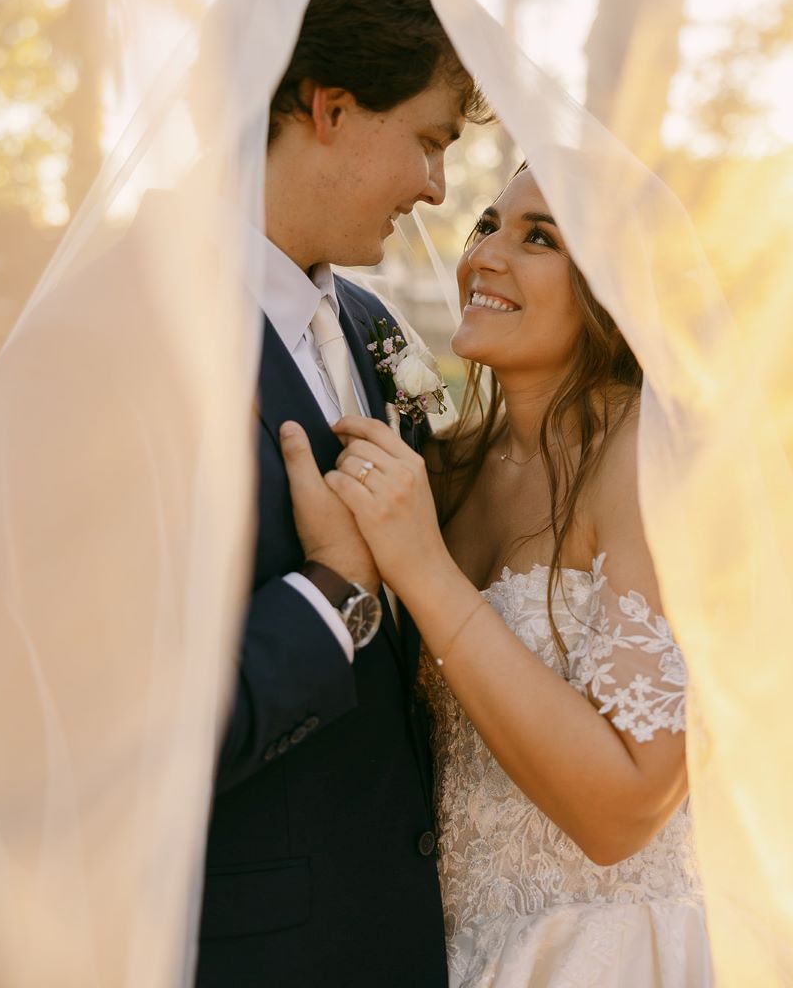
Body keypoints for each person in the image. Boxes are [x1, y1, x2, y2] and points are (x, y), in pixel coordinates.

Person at [282, 163, 713, 986]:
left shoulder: (649, 460)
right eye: (487, 224)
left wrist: (423, 570)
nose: (485, 254)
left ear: (619, 287)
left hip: (606, 960)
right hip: (448, 954)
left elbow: (626, 808)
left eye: (539, 237)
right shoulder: (446, 471)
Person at [195, 0, 489, 988]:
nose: (433, 189)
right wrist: (333, 595)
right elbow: (91, 732)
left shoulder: (365, 321)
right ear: (326, 106)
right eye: (428, 141)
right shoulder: (136, 340)